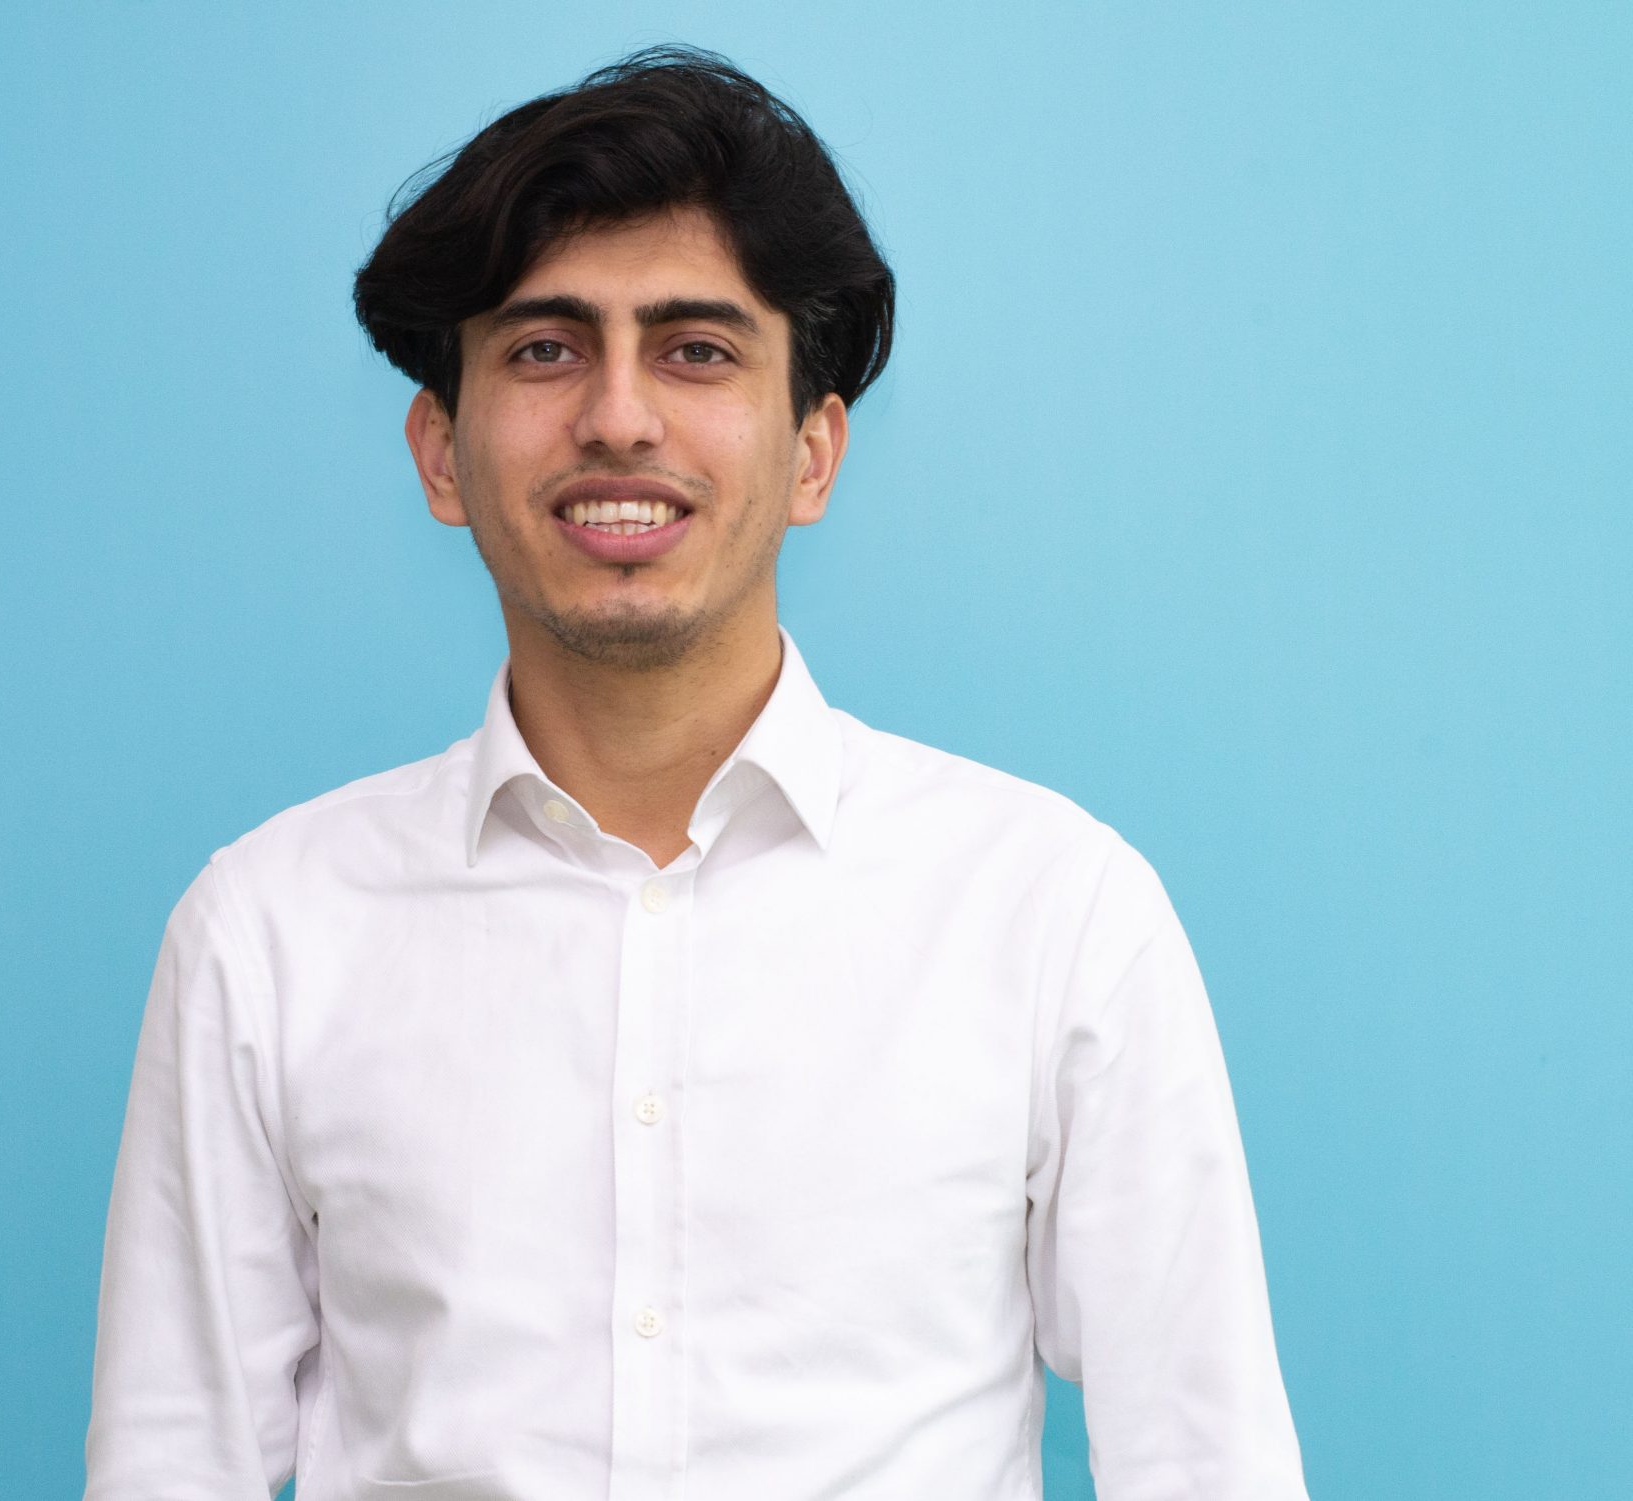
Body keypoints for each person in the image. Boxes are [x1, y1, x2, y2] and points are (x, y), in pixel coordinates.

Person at [82, 45, 1309, 1501]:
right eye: (545, 349)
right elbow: (172, 1465)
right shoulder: (269, 930)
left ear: (813, 452)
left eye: (697, 350)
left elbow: (1209, 1465)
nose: (619, 417)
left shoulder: (1053, 913)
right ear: (441, 451)